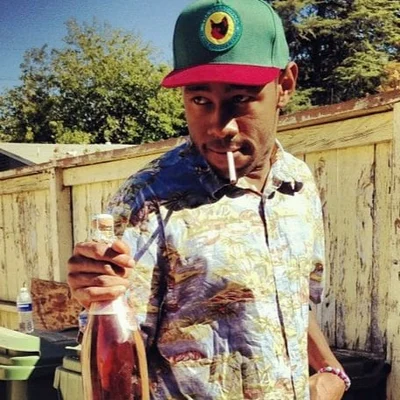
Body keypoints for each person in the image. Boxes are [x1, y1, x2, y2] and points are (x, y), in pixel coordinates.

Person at [68, 0, 350, 398]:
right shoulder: (148, 202)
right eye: (201, 101)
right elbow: (116, 360)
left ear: (285, 85)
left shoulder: (297, 184)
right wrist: (95, 296)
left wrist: (332, 373)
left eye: (241, 98)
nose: (221, 127)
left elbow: (292, 300)